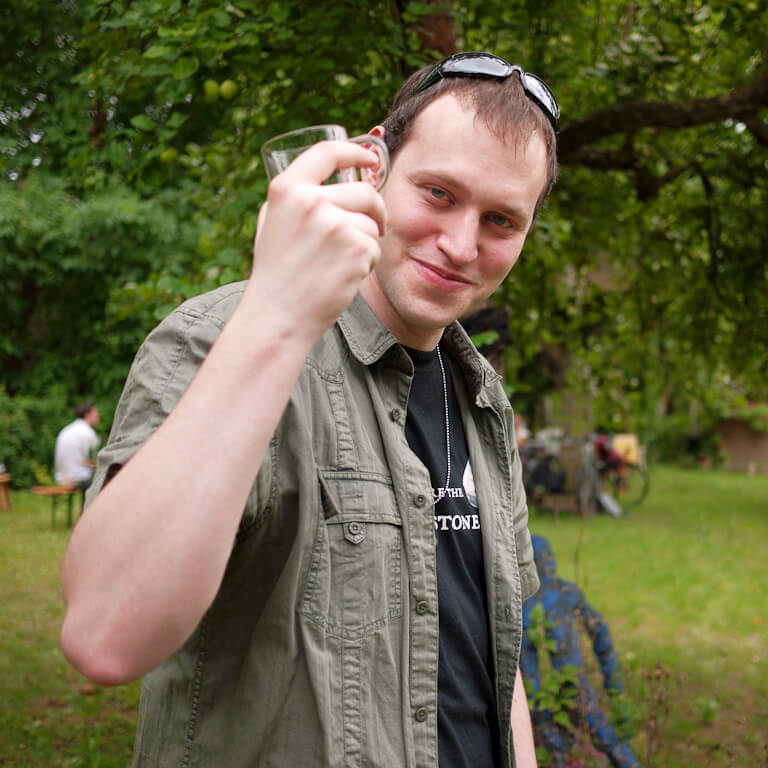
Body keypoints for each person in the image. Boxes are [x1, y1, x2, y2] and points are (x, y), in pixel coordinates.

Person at [60, 51, 560, 767]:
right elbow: (106, 635)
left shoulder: (480, 395)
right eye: (440, 193)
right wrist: (279, 315)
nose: (460, 245)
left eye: (501, 220)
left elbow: (492, 655)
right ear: (370, 164)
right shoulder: (223, 336)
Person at [521, 536, 640, 768]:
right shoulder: (535, 604)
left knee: (601, 743)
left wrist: (614, 685)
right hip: (559, 691)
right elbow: (528, 667)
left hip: (567, 689)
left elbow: (600, 634)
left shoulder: (559, 596)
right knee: (598, 745)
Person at [54, 402, 100, 489]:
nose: (98, 417)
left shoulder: (67, 429)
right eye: (96, 415)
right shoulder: (89, 433)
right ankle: (90, 502)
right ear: (87, 415)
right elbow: (93, 460)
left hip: (61, 478)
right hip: (78, 478)